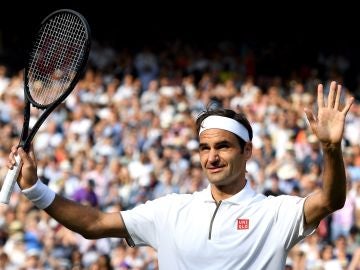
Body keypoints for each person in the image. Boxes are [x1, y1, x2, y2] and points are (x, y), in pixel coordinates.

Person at [6, 81, 354, 269]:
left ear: (247, 151)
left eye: (223, 147)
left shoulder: (274, 213)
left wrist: (330, 149)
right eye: (205, 148)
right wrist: (34, 189)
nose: (212, 157)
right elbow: (93, 224)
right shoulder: (170, 210)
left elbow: (330, 200)